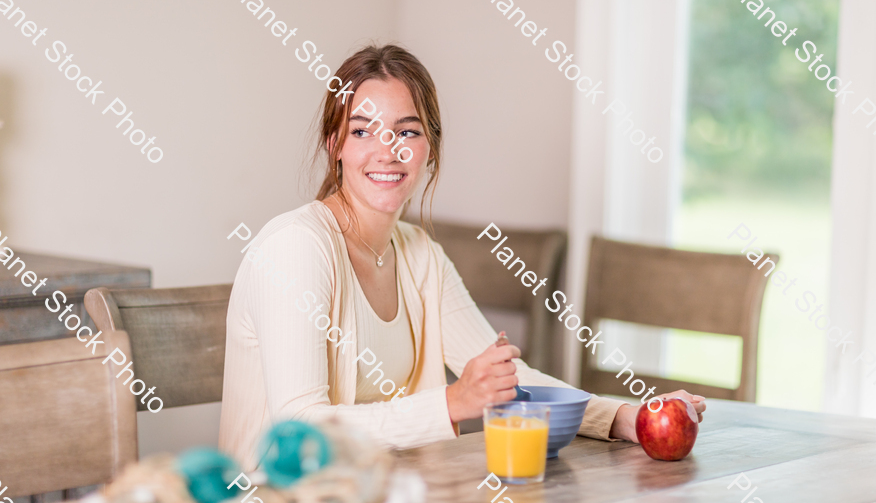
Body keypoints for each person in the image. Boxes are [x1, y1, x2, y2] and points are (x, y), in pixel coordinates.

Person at [218, 44, 705, 469]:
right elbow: (300, 428)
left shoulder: (418, 254)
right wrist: (452, 402)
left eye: (406, 132)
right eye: (363, 131)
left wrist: (626, 417)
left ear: (429, 148)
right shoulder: (296, 247)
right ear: (335, 145)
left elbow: (509, 380)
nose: (387, 151)